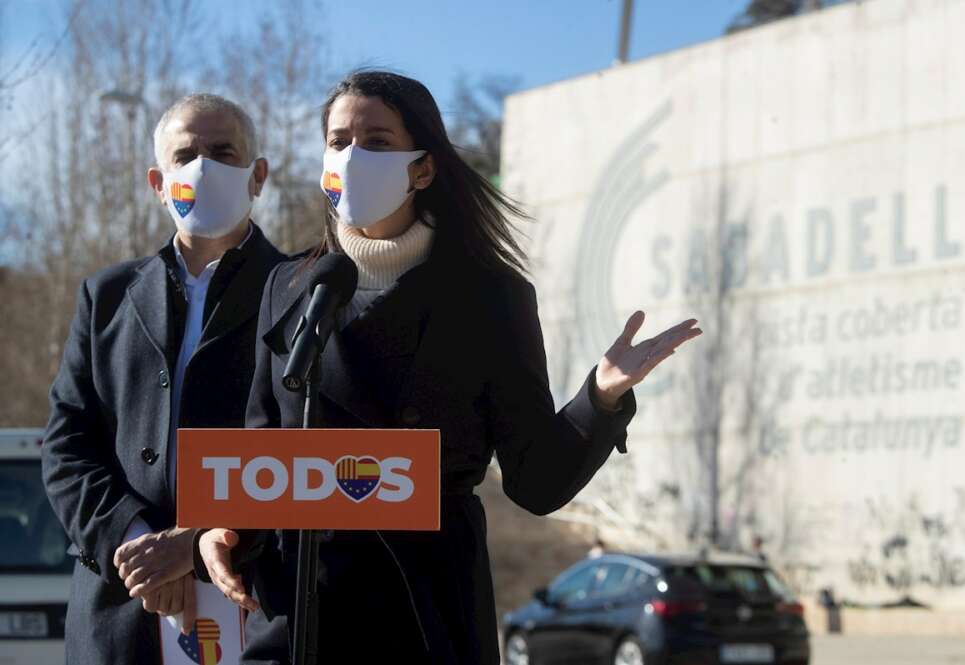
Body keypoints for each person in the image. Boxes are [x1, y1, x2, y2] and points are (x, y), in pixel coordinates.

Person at [196, 70, 702, 665]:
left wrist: (603, 396)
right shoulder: (289, 284)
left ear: (423, 168)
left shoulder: (489, 296)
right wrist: (222, 529)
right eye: (338, 141)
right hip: (300, 612)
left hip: (423, 612)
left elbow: (536, 479)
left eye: (377, 142)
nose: (352, 156)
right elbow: (261, 447)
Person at [41, 93, 286, 664]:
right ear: (158, 181)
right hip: (122, 614)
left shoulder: (305, 291)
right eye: (186, 155)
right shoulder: (105, 298)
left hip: (258, 604)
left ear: (258, 176)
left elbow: (304, 450)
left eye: (223, 152)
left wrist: (196, 545)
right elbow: (67, 446)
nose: (204, 167)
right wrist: (138, 544)